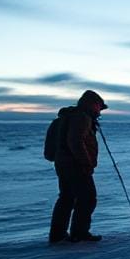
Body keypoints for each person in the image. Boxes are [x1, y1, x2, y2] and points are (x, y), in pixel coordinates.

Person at [48, 90, 108, 243]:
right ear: (92, 105)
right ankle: (79, 233)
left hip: (62, 163)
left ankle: (58, 235)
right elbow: (75, 141)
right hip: (75, 164)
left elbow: (56, 146)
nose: (99, 111)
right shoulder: (82, 118)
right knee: (87, 198)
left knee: (67, 198)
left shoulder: (67, 117)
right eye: (99, 107)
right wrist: (85, 162)